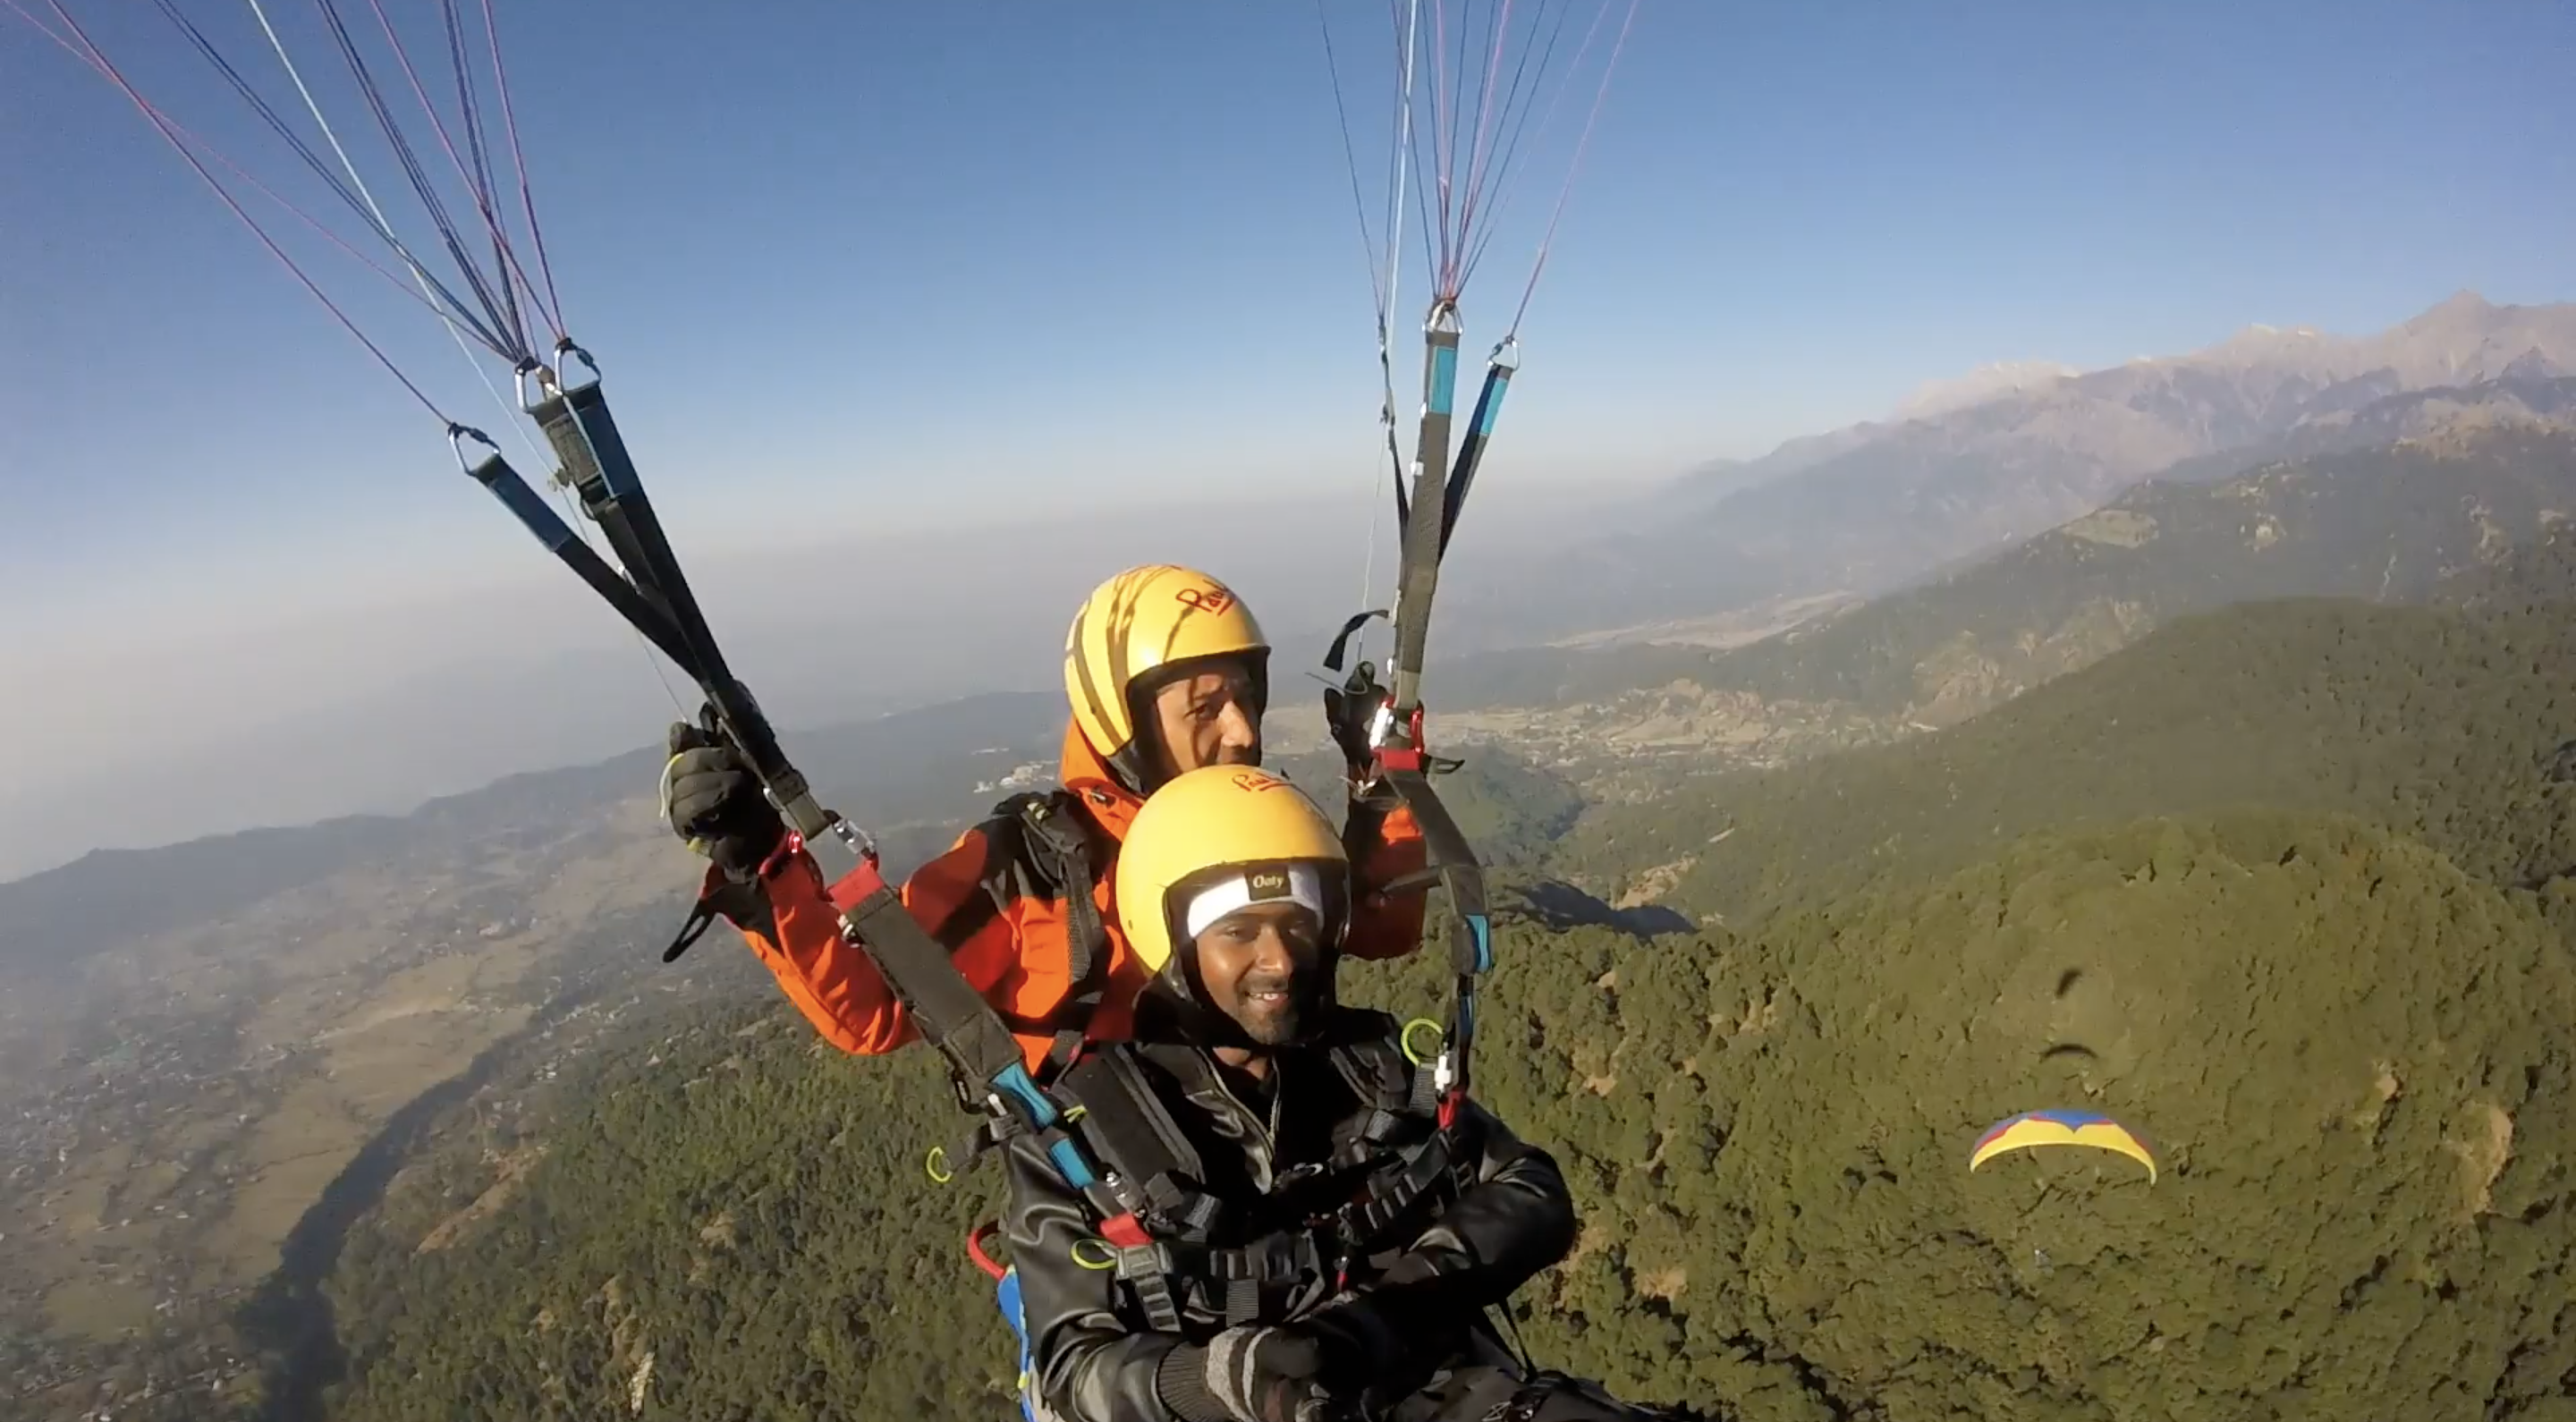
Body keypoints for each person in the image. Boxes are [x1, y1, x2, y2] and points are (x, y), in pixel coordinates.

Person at [998, 765, 1694, 1422]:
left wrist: (1391, 1311)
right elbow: (1073, 1365)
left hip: (1424, 1388)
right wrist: (1230, 1378)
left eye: (1296, 924)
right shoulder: (1081, 1134)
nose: (1278, 959)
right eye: (1238, 933)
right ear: (1170, 939)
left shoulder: (1366, 1067)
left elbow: (1529, 1187)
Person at [658, 562, 1431, 1079]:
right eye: (1204, 707)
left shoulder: (1258, 824)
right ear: (1121, 721)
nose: (1240, 732)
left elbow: (1378, 929)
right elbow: (876, 1010)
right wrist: (760, 863)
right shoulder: (1026, 866)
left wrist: (1385, 783)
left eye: (1245, 698)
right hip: (1124, 1213)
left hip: (1282, 1157)